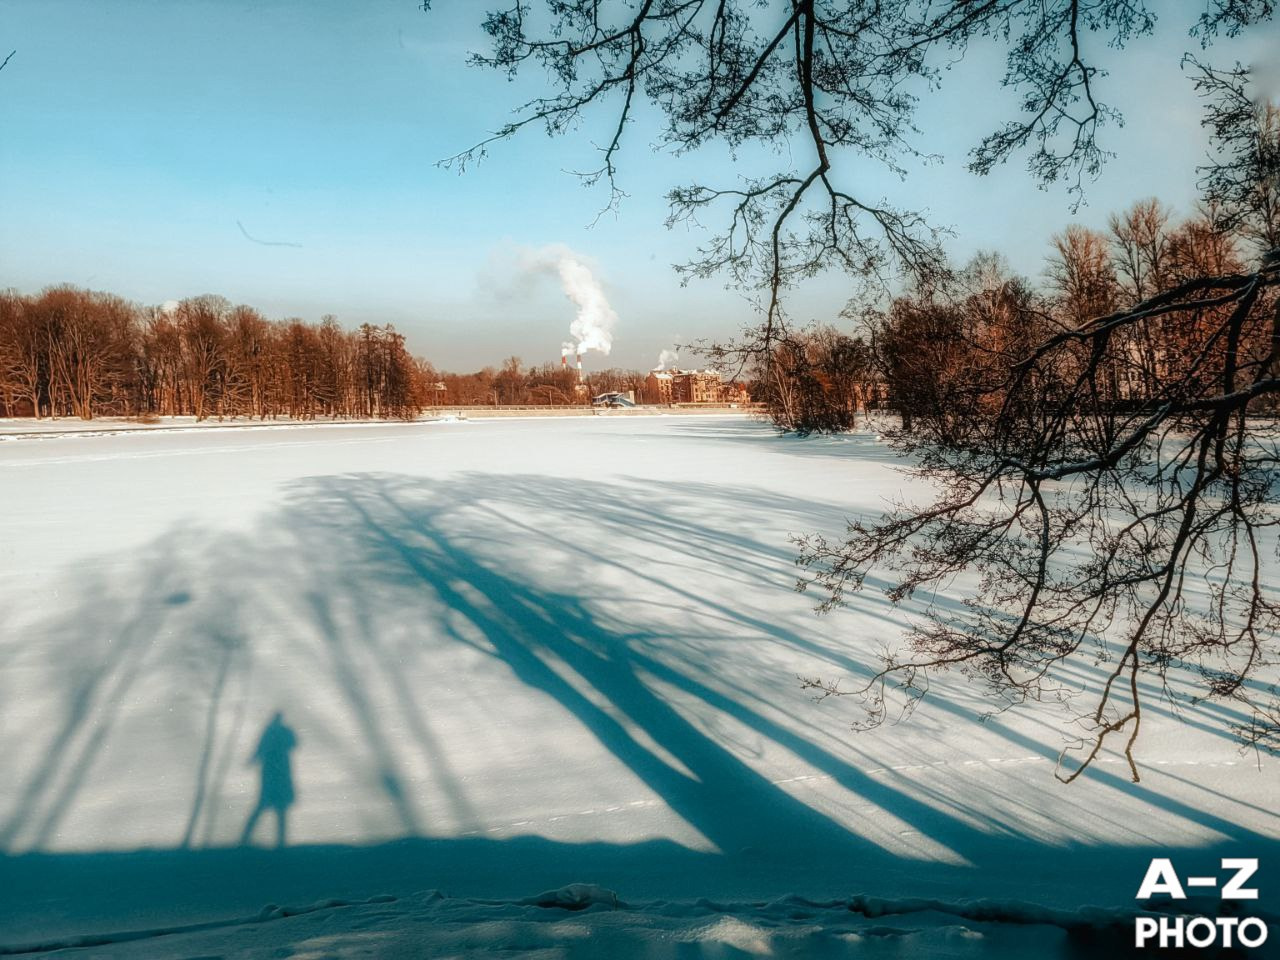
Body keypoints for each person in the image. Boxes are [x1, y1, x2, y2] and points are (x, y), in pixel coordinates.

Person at [240, 711, 297, 847]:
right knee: (278, 808)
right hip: (278, 772)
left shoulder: (270, 732)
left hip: (273, 772)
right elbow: (293, 744)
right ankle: (280, 842)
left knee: (270, 807)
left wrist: (252, 760)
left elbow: (259, 750)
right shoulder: (281, 731)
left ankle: (247, 839)